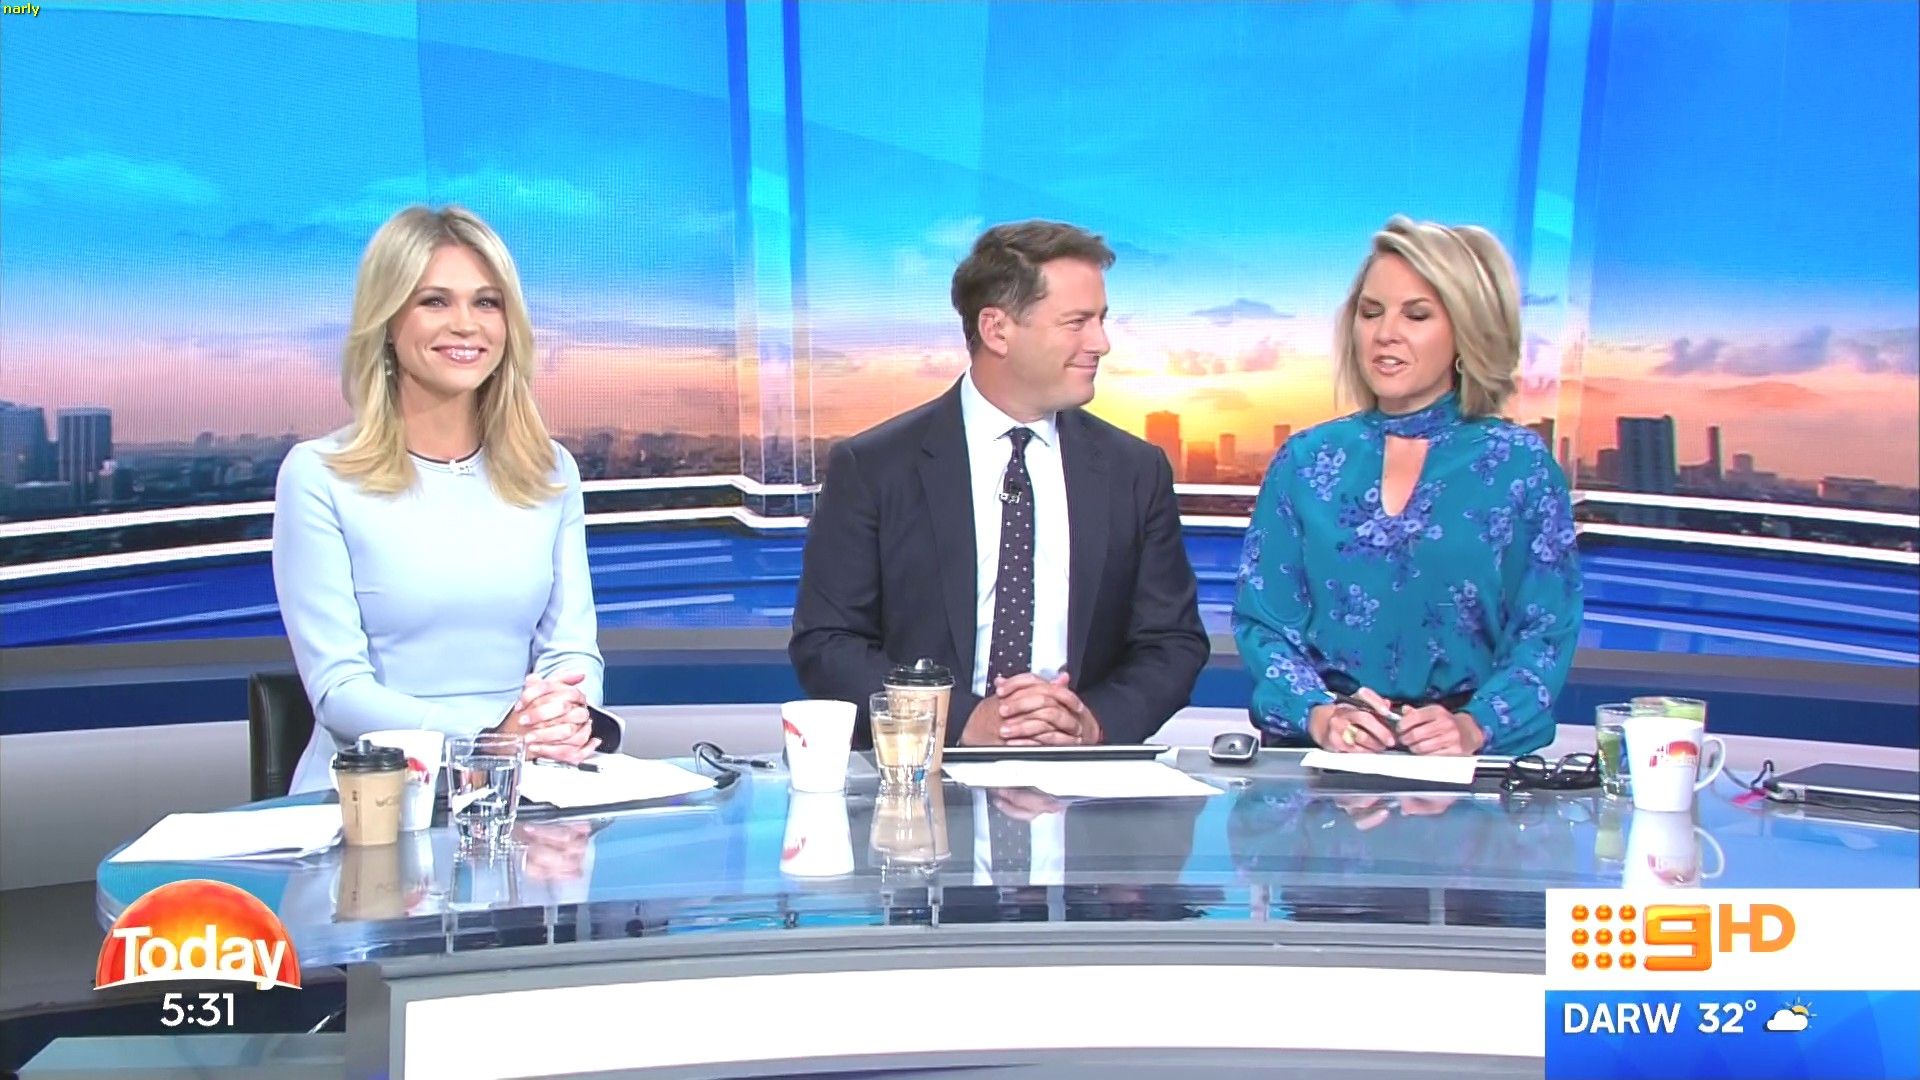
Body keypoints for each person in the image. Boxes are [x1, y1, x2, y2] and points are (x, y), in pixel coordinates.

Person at [790, 220, 1209, 748]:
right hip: (922, 770)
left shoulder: (1135, 471)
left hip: (1083, 775)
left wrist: (1091, 723)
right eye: (1077, 322)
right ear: (996, 330)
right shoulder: (874, 467)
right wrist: (961, 721)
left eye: (1101, 320)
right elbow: (827, 644)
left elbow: (1172, 643)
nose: (1100, 343)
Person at [273, 205, 616, 794]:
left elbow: (572, 651)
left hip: (528, 788)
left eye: (487, 302)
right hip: (375, 796)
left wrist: (556, 720)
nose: (466, 324)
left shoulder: (550, 470)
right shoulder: (318, 476)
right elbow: (339, 692)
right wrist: (488, 741)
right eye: (435, 301)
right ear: (387, 320)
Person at [1232, 215, 1580, 757]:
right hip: (1323, 759)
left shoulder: (1519, 466)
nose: (1384, 333)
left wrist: (1472, 727)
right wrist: (1320, 715)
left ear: (1466, 330)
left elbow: (1545, 633)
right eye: (1371, 312)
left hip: (1461, 766)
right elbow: (1265, 623)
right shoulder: (1305, 460)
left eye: (1416, 315)